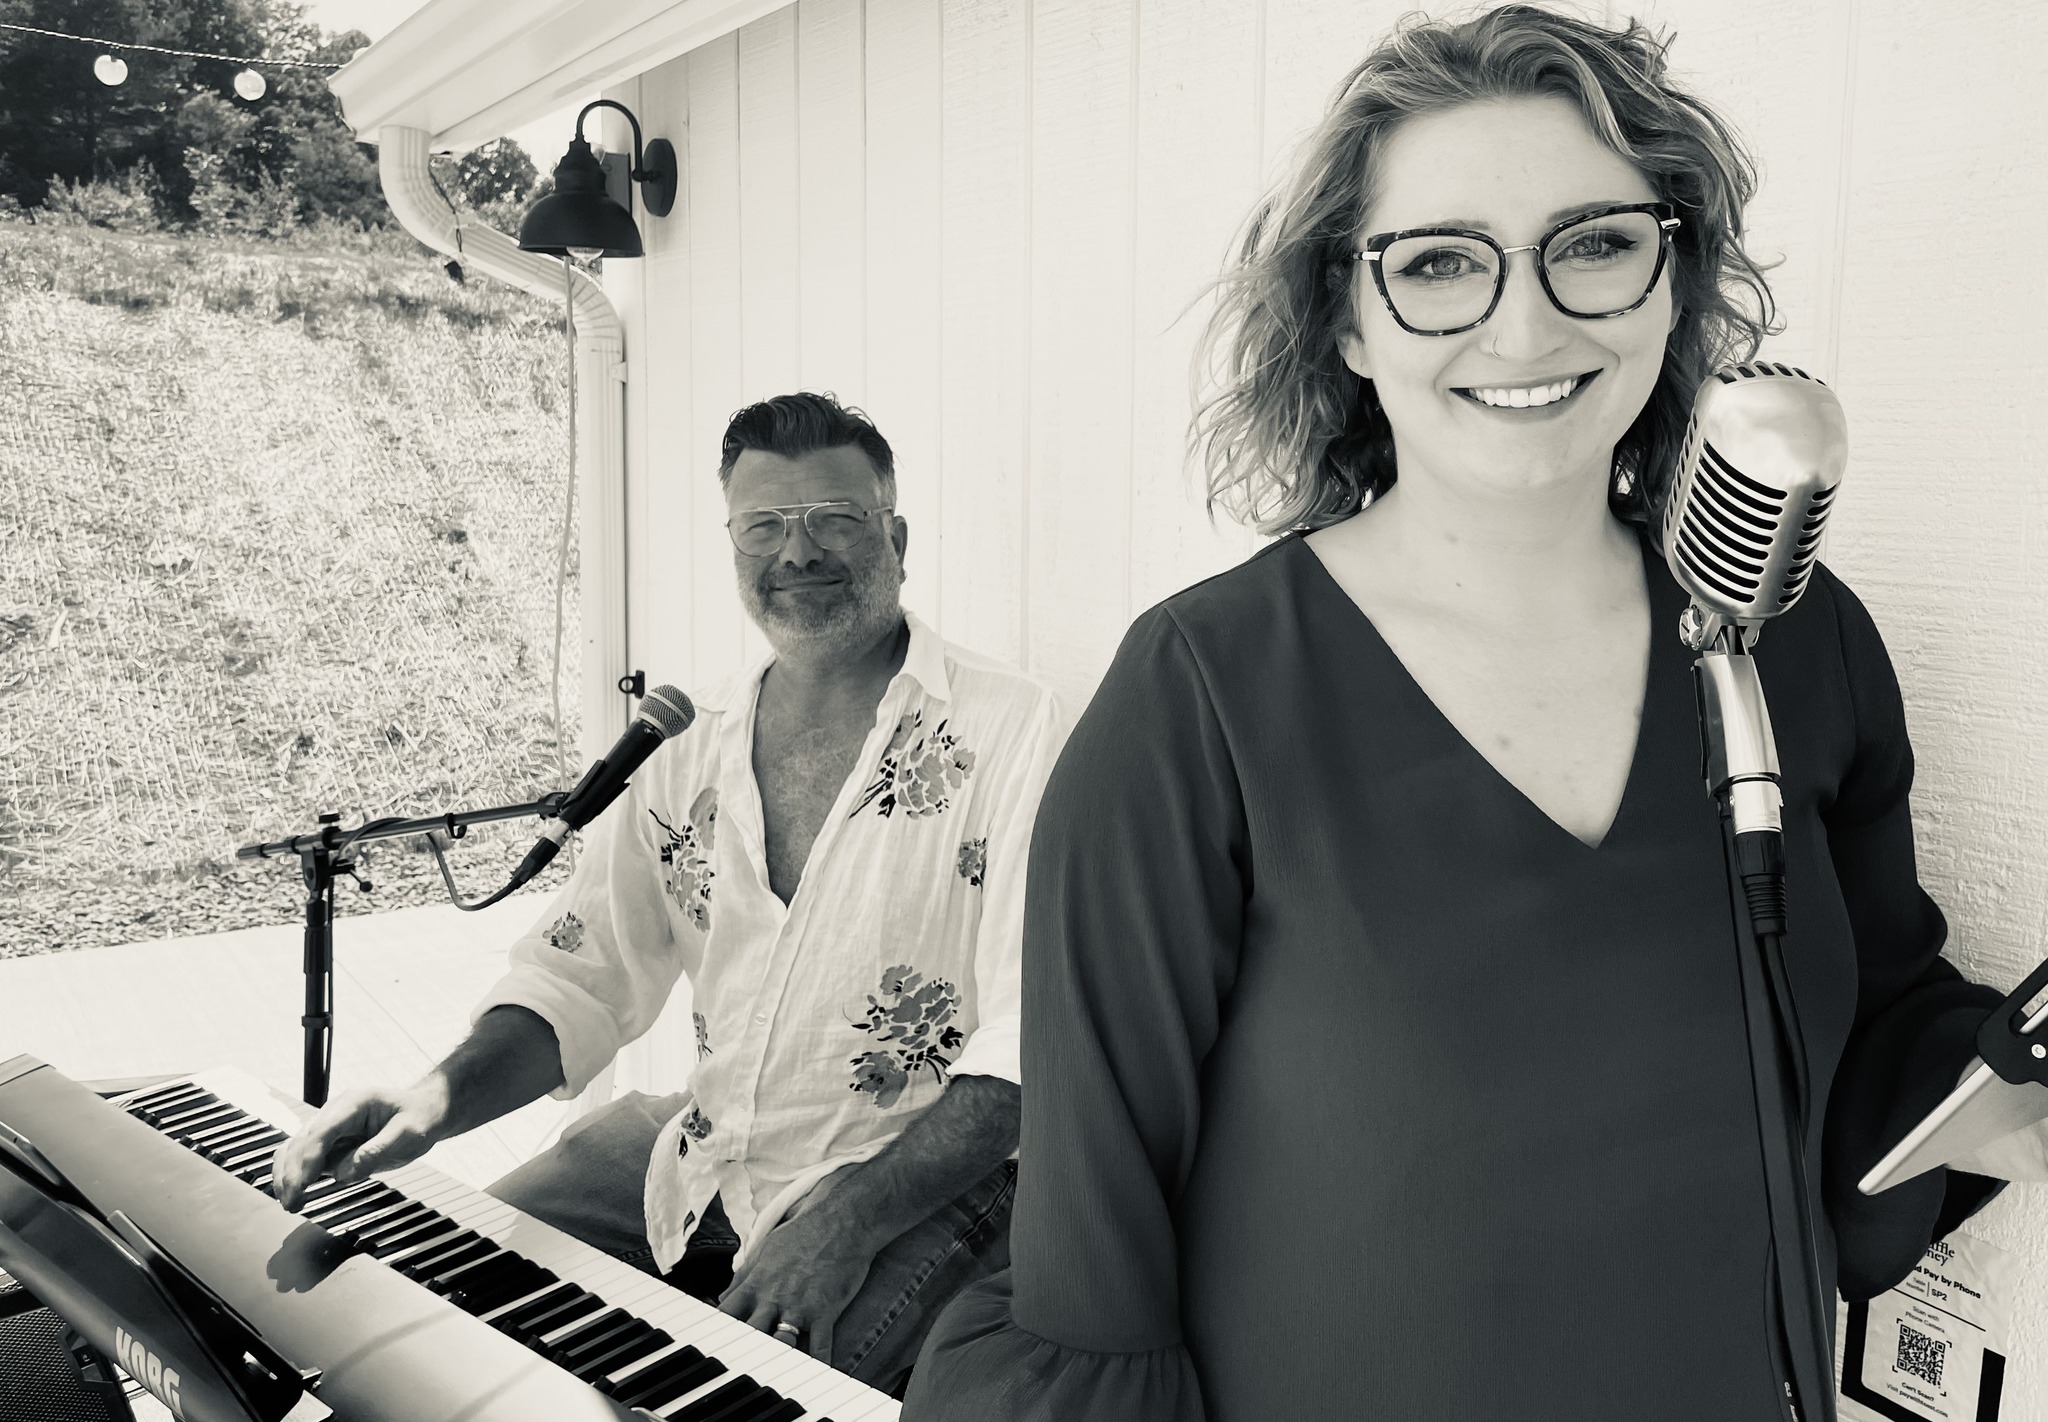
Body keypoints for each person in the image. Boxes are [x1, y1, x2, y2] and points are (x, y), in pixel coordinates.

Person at [902, 9, 2027, 1420]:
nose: (1526, 323)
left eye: (1593, 243)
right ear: (1347, 318)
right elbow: (1097, 1265)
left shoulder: (1798, 641)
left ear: (1673, 279)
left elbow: (1867, 1037)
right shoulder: (1197, 699)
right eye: (1439, 262)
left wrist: (2001, 1090)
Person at [272, 391, 1064, 1397]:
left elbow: (1032, 1044)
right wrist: (432, 1101)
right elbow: (583, 973)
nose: (798, 552)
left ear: (895, 540)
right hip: (702, 1143)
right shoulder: (688, 741)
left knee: (746, 1399)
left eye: (834, 519)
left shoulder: (1016, 730)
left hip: (921, 1176)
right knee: (420, 1303)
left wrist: (848, 1221)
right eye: (764, 526)